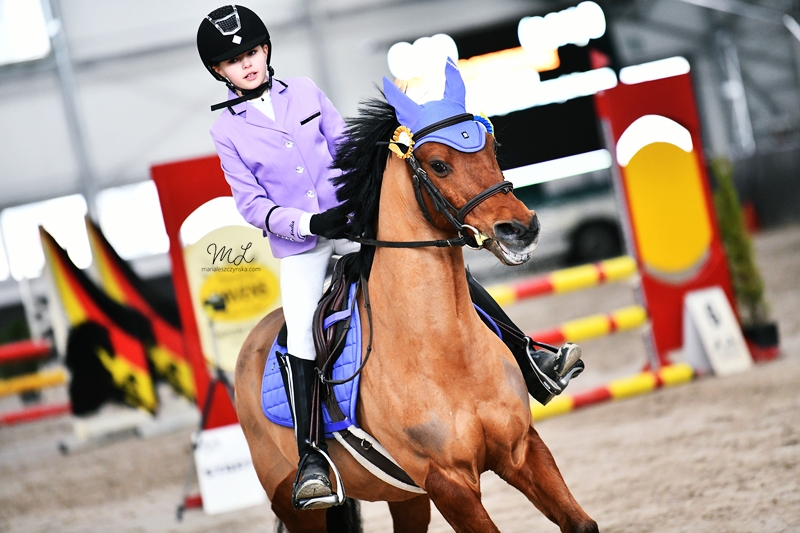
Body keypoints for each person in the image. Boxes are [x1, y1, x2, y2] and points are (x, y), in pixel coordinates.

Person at [197, 4, 357, 508]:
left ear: (266, 49)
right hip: (303, 245)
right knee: (303, 332)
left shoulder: (305, 90)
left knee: (428, 263)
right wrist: (309, 224)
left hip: (351, 222)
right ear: (219, 71)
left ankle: (527, 353)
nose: (246, 64)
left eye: (251, 52)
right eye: (233, 60)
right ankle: (312, 457)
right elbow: (251, 204)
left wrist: (357, 205)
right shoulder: (227, 130)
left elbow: (346, 148)